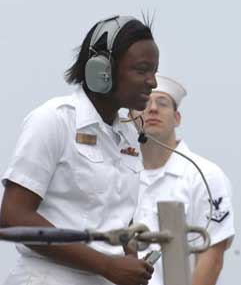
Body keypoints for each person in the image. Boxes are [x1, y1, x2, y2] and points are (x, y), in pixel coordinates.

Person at [0, 15, 159, 285]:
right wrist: (107, 265)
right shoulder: (53, 120)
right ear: (102, 70)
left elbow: (114, 217)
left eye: (154, 71)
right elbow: (13, 217)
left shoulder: (129, 136)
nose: (153, 81)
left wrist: (130, 258)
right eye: (142, 70)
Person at [132, 75, 235, 285]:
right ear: (130, 116)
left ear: (177, 118)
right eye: (145, 103)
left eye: (162, 103)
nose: (152, 109)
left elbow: (212, 256)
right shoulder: (116, 172)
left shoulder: (205, 175)